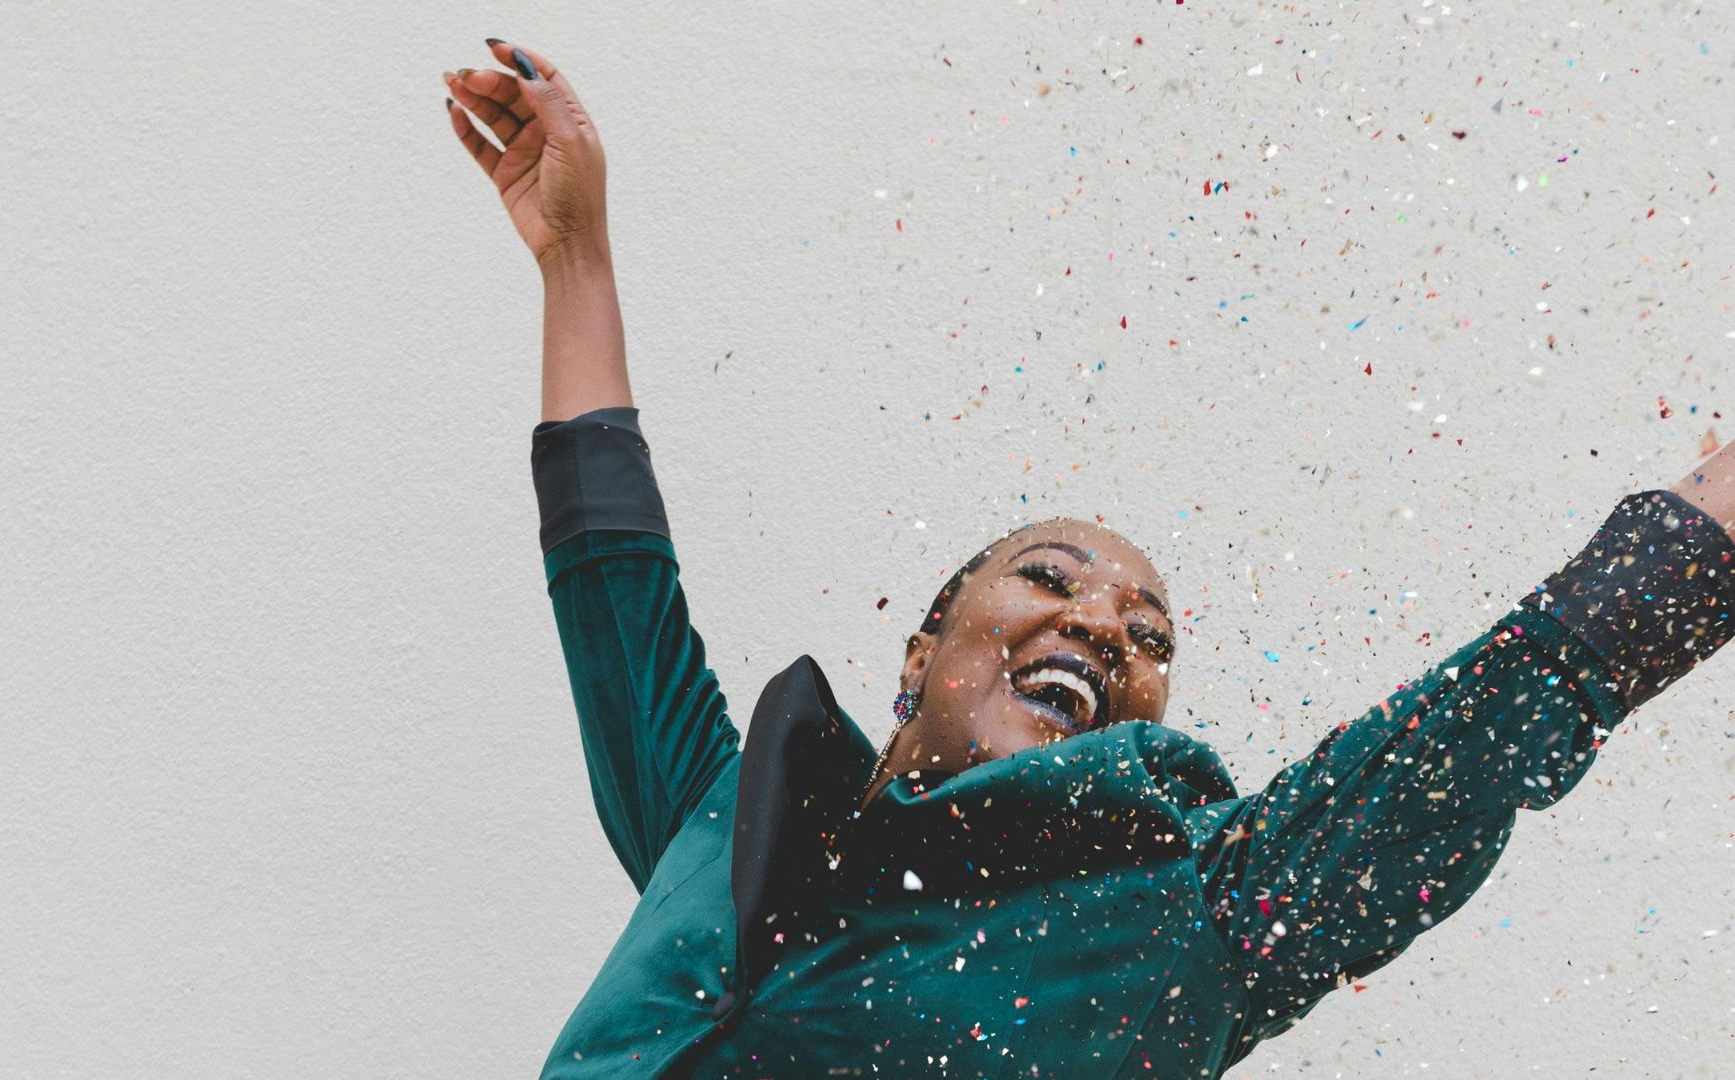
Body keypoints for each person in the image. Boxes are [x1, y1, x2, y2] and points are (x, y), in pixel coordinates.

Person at [445, 42, 1735, 1078]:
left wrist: (1707, 524)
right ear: (925, 648)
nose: (1109, 626)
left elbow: (1476, 738)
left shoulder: (1187, 918)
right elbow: (613, 564)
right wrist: (574, 255)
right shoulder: (719, 818)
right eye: (1051, 580)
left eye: (1151, 636)